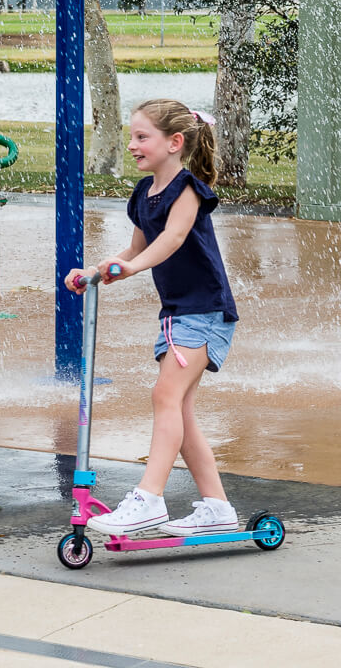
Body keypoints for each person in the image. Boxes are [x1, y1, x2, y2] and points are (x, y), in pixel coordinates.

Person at [64, 98, 239, 536]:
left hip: (205, 310)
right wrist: (95, 272)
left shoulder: (188, 189)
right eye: (132, 137)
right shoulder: (144, 194)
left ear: (174, 143)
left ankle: (149, 499)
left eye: (142, 137)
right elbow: (136, 249)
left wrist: (134, 268)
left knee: (165, 397)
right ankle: (217, 507)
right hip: (179, 313)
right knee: (181, 407)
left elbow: (174, 239)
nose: (133, 145)